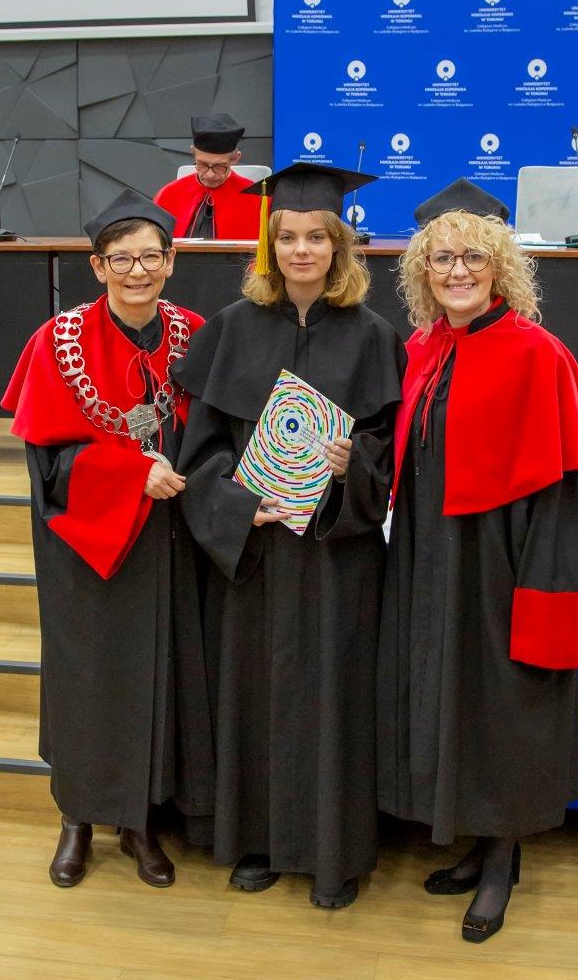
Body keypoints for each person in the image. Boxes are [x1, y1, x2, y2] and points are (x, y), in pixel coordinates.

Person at [377, 178, 578, 942]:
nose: (458, 270)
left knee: (506, 705)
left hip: (503, 564)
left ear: (501, 265)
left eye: (474, 257)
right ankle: (478, 841)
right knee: (458, 702)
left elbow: (563, 494)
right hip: (430, 559)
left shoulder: (539, 355)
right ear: (422, 269)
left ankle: (505, 858)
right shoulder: (421, 351)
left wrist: (540, 584)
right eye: (442, 258)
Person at [171, 163, 405, 908]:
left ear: (340, 246)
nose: (302, 250)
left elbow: (387, 446)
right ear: (269, 247)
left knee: (336, 697)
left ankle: (335, 854)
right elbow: (200, 450)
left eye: (316, 238)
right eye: (288, 238)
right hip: (258, 553)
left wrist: (350, 466)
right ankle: (260, 842)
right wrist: (239, 503)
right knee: (255, 690)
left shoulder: (374, 337)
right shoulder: (231, 330)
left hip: (337, 555)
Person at [1, 189, 214, 888]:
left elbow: (218, 430)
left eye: (151, 257)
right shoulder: (58, 342)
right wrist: (128, 475)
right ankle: (76, 818)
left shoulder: (193, 333)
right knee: (88, 677)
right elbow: (47, 464)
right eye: (121, 259)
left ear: (171, 261)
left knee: (156, 673)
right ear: (97, 267)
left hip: (169, 537)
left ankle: (139, 822)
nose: (137, 271)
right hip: (86, 544)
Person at [154, 113, 261, 239]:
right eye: (202, 164)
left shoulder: (256, 198)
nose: (210, 175)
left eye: (219, 166)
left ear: (235, 158)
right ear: (193, 153)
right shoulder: (167, 195)